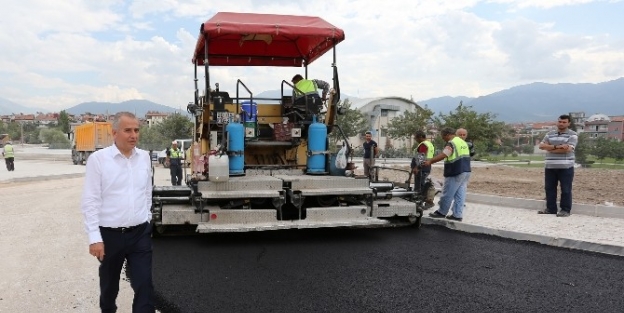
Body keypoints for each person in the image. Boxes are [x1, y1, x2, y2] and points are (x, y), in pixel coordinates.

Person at [80, 111, 155, 312]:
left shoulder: (144, 158)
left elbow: (147, 191)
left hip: (139, 233)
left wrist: (147, 218)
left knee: (144, 283)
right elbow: (90, 200)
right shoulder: (99, 160)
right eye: (128, 130)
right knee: (109, 285)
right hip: (110, 236)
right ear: (114, 133)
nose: (134, 135)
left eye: (137, 130)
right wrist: (94, 237)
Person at [423, 127, 471, 221]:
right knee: (460, 194)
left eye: (443, 137)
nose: (443, 139)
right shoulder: (462, 142)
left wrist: (430, 161)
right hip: (466, 171)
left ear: (447, 135)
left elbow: (444, 154)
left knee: (447, 193)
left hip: (455, 171)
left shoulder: (452, 142)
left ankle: (441, 212)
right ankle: (457, 215)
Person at [537, 114, 578, 217]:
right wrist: (558, 147)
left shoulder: (572, 135)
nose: (561, 124)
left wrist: (549, 148)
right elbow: (541, 146)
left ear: (569, 123)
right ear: (557, 122)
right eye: (560, 121)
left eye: (564, 122)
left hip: (566, 167)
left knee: (566, 189)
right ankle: (551, 209)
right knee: (549, 188)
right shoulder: (549, 134)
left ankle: (565, 210)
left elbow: (568, 149)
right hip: (550, 166)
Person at [411, 131, 435, 208]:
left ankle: (419, 203)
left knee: (420, 187)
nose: (415, 139)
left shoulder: (423, 145)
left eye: (416, 138)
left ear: (421, 137)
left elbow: (421, 157)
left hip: (422, 168)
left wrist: (417, 167)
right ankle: (428, 201)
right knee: (424, 185)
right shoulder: (429, 144)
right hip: (426, 167)